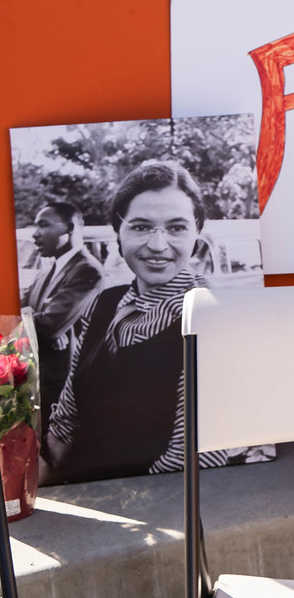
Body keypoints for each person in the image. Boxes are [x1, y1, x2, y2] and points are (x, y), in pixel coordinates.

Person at [43, 161, 217, 482]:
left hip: (152, 505)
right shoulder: (107, 301)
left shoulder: (212, 318)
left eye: (177, 228)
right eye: (140, 226)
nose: (157, 245)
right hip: (80, 485)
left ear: (196, 234)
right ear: (118, 232)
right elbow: (66, 421)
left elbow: (190, 457)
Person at [25, 200, 103, 431]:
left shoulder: (87, 270)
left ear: (70, 228)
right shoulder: (50, 267)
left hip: (60, 383)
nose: (35, 234)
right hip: (39, 376)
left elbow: (49, 325)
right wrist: (33, 316)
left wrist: (37, 319)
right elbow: (25, 307)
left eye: (44, 225)